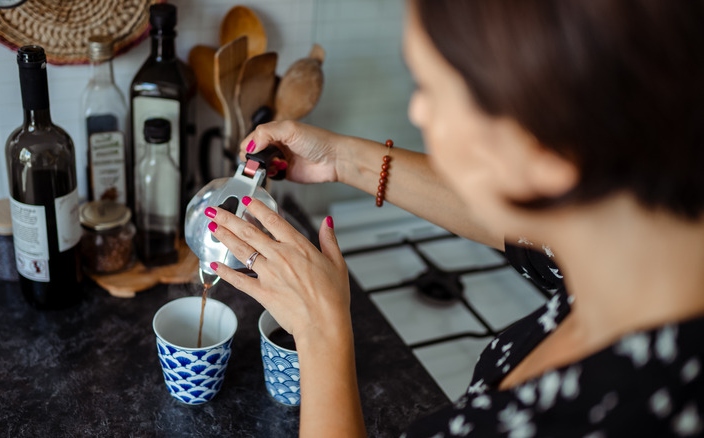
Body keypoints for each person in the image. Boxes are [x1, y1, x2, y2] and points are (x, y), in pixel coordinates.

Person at [204, 0, 704, 436]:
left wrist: (321, 332)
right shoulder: (633, 243)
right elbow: (537, 228)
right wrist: (344, 160)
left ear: (548, 150)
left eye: (434, 89)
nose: (418, 112)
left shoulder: (628, 414)